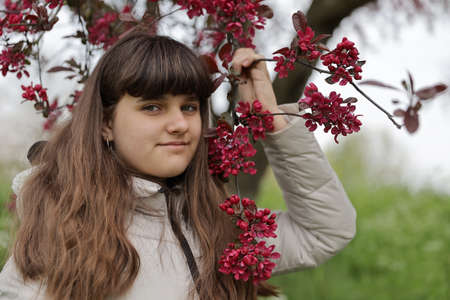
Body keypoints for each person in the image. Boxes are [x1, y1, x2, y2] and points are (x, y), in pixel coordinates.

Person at [0, 29, 356, 300]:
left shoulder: (216, 225)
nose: (180, 124)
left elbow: (324, 230)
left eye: (189, 107)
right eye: (152, 107)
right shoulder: (61, 230)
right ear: (106, 124)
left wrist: (272, 120)